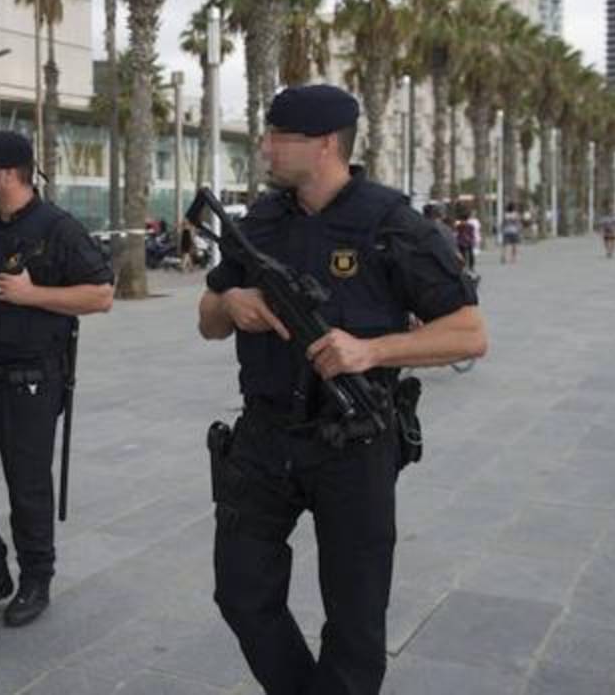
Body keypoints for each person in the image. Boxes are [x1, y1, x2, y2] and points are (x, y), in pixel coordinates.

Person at [197, 84, 487, 695]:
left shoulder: (391, 223)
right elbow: (207, 319)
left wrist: (371, 349)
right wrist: (230, 300)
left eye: (279, 136)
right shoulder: (261, 222)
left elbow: (469, 333)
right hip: (265, 437)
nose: (265, 147)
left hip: (354, 442)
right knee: (242, 593)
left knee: (355, 624)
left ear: (326, 144)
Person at [0, 130, 113, 628]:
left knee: (27, 485)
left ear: (7, 173)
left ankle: (36, 578)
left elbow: (101, 295)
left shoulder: (58, 228)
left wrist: (32, 295)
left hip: (30, 381)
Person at [454, 207, 477, 271]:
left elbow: (456, 232)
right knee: (469, 254)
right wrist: (473, 240)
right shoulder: (469, 225)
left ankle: (465, 266)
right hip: (467, 241)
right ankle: (470, 266)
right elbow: (472, 234)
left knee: (465, 254)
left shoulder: (459, 225)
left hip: (462, 241)